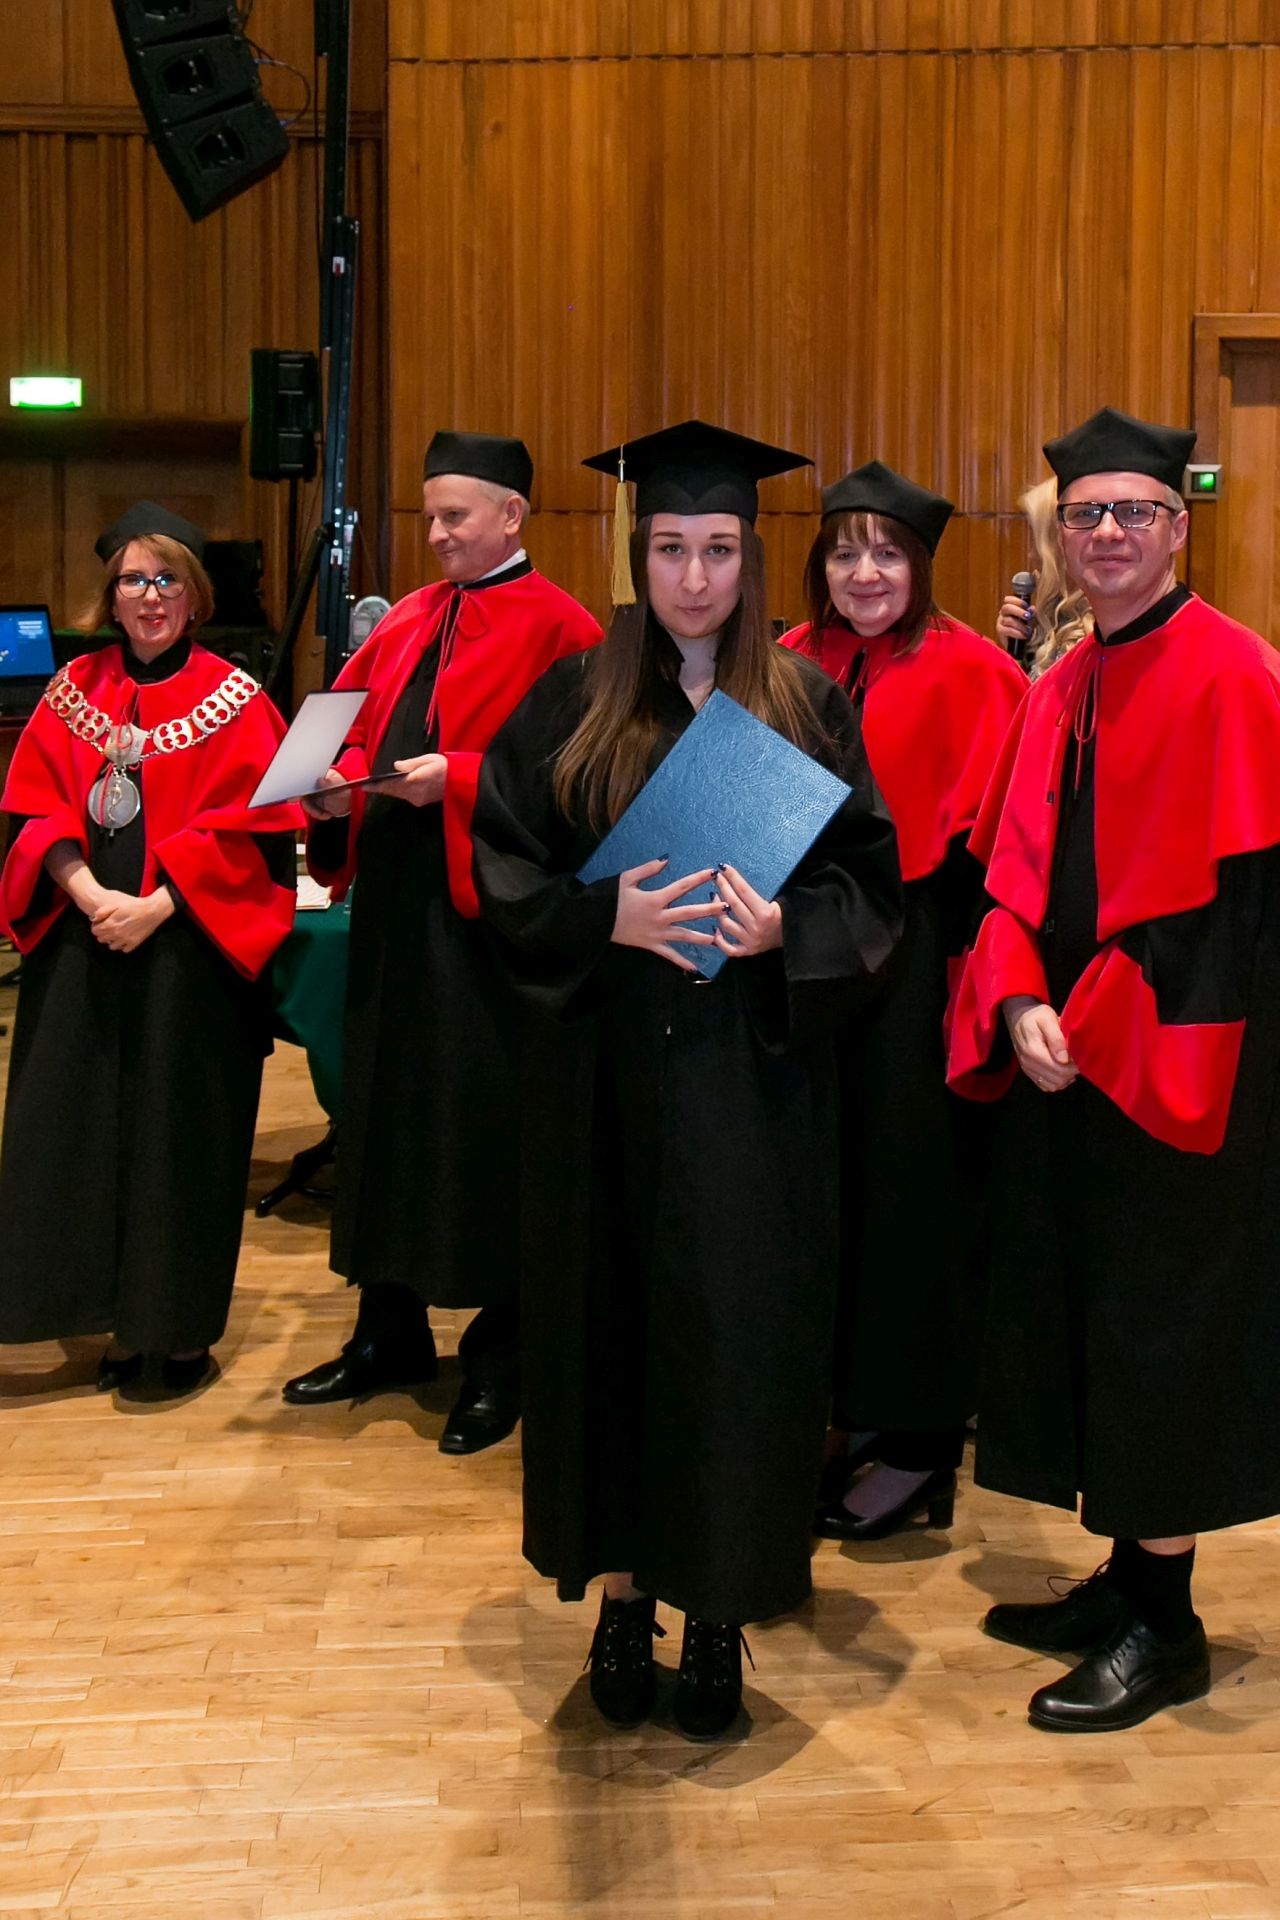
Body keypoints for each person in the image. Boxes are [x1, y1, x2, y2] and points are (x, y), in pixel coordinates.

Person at [471, 420, 903, 1740]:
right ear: (636, 552)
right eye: (670, 549)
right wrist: (605, 919)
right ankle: (620, 1600)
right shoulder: (572, 699)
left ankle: (717, 1613)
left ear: (749, 559)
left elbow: (870, 891)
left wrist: (786, 934)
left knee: (735, 1345)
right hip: (603, 1089)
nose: (696, 577)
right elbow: (506, 870)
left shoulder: (804, 707)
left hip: (748, 1098)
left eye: (718, 549)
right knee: (607, 1337)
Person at [946, 406, 1280, 1733]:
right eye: (1085, 514)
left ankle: (1166, 1625)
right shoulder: (1063, 681)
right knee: (1083, 1313)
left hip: (1183, 1064)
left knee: (1159, 1331)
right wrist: (1015, 993)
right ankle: (1125, 1576)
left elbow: (1234, 919)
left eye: (1132, 512)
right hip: (1067, 1057)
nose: (1106, 534)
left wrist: (1085, 1017)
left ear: (1177, 528)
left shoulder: (1236, 675)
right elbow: (1008, 873)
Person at [281, 431, 602, 1454]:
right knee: (382, 1115)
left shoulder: (564, 628)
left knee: (486, 1131)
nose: (437, 535)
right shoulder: (409, 616)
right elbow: (347, 724)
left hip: (489, 921)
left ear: (511, 515)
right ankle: (388, 1332)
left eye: (455, 516)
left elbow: (580, 779)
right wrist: (329, 783)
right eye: (430, 516)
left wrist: (457, 777)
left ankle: (501, 1361)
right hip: (393, 911)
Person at [0, 502, 299, 1396]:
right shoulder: (71, 689)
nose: (150, 595)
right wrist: (94, 897)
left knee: (180, 1142)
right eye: (134, 580)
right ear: (112, 595)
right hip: (81, 944)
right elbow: (33, 813)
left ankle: (174, 1334)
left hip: (189, 957)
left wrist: (158, 906)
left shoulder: (237, 700)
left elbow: (255, 835)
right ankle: (108, 1321)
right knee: (80, 1135)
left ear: (195, 594)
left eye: (167, 578)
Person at [780, 462, 1025, 1542]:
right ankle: (846, 1408)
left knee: (913, 1201)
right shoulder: (789, 661)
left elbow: (1002, 854)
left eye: (887, 552)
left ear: (920, 564)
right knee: (822, 1195)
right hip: (800, 956)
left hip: (919, 967)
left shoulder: (977, 672)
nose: (865, 573)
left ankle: (921, 1440)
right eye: (845, 552)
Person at [994, 477, 1092, 676]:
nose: (1030, 554)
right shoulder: (1052, 621)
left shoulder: (1102, 628)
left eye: (1035, 540)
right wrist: (1017, 651)